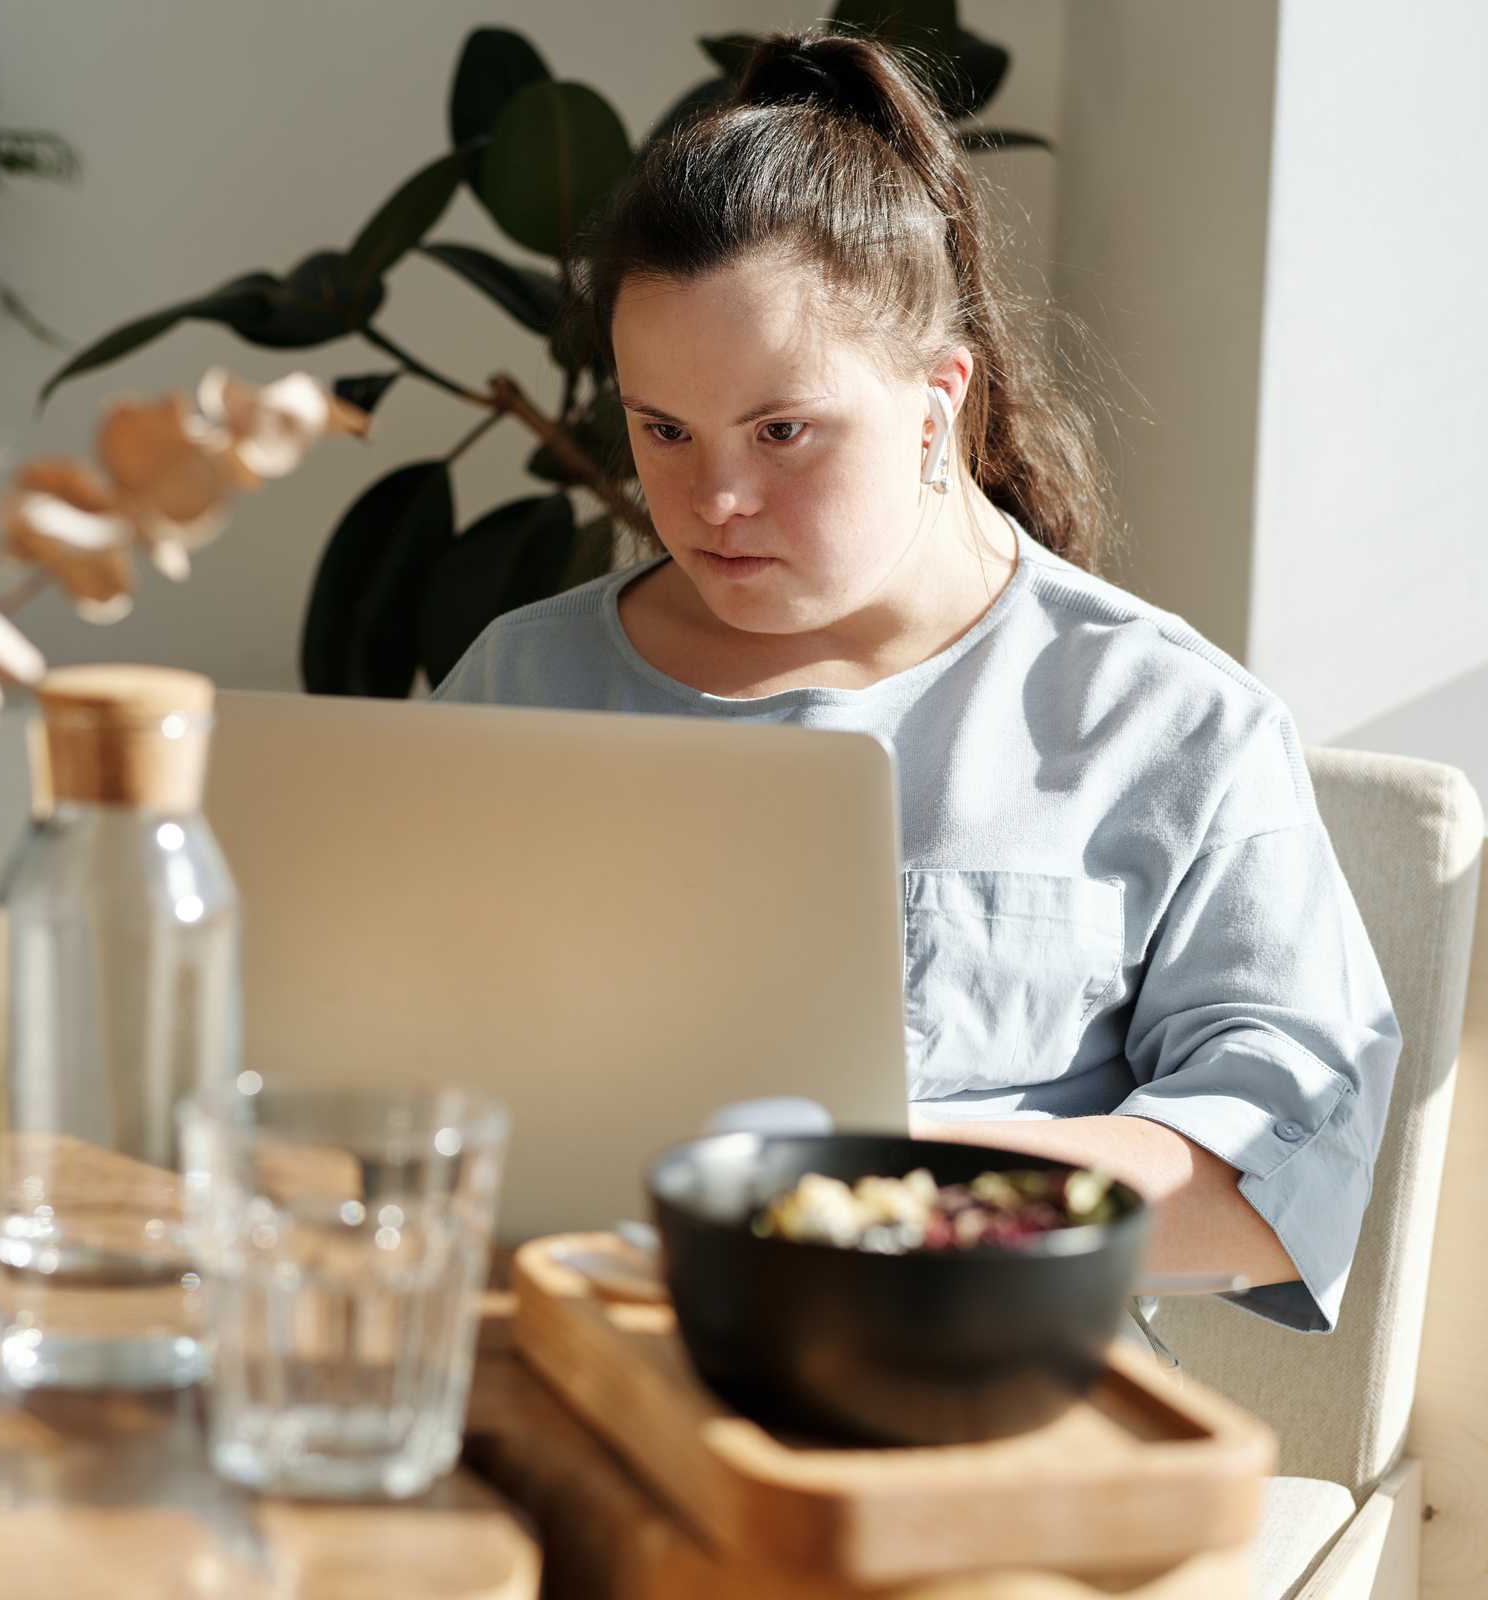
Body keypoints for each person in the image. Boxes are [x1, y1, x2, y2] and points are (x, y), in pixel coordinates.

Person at [429, 29, 1398, 1334]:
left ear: (938, 400)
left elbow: (1270, 1183)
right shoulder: (522, 681)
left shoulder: (1165, 724)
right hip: (570, 1369)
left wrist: (858, 1191)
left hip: (966, 1403)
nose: (714, 500)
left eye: (784, 431)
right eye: (663, 430)